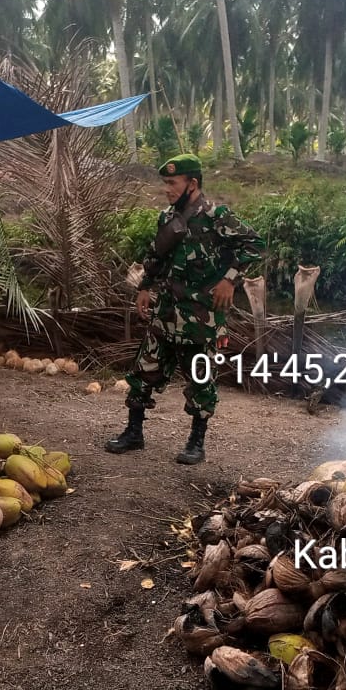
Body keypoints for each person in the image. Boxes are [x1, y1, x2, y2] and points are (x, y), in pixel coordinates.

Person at [105, 154, 264, 464]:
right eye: (165, 183)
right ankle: (133, 432)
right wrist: (144, 287)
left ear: (192, 184)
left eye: (172, 183)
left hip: (201, 317)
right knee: (143, 371)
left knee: (201, 379)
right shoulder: (167, 218)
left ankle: (196, 443)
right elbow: (156, 257)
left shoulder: (217, 217)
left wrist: (230, 281)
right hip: (166, 312)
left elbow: (254, 245)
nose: (167, 189)